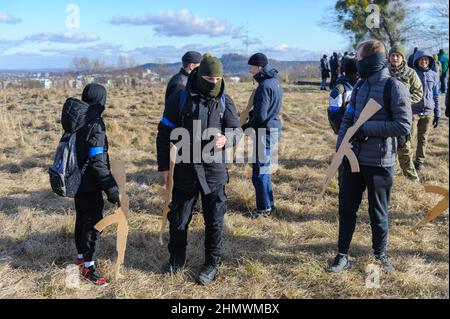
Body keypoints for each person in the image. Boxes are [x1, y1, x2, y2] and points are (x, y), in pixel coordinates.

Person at [157, 54, 241, 286]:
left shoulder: (225, 101)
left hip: (214, 171)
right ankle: (176, 260)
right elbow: (164, 133)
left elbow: (237, 131)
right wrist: (163, 166)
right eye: (208, 78)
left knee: (214, 221)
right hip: (184, 169)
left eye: (218, 78)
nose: (213, 82)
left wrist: (227, 139)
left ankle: (211, 264)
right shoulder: (179, 98)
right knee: (179, 219)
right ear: (198, 74)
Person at [329, 39, 412, 274]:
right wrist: (342, 147)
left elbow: (403, 125)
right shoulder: (361, 86)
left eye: (359, 59)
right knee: (346, 209)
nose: (356, 62)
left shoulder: (394, 87)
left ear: (371, 61)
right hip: (353, 159)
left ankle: (380, 256)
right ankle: (342, 255)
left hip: (379, 162)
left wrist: (367, 129)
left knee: (378, 212)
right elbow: (348, 117)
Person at [66, 83, 120, 286]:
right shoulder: (95, 123)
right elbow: (97, 162)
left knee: (81, 220)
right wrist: (112, 189)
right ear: (101, 100)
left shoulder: (75, 118)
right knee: (93, 224)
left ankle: (81, 258)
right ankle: (88, 268)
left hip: (76, 181)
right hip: (90, 184)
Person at [242, 53, 283, 218]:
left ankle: (263, 210)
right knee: (264, 171)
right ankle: (269, 205)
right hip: (272, 130)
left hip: (264, 132)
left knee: (259, 173)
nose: (250, 71)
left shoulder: (265, 86)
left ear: (258, 67)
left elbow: (260, 116)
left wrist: (245, 126)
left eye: (251, 67)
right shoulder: (274, 82)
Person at [387, 45, 423, 181]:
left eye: (398, 55)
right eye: (393, 55)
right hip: (386, 116)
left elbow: (419, 92)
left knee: (404, 147)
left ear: (402, 58)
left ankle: (412, 178)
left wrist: (405, 102)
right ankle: (390, 175)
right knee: (387, 147)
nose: (395, 58)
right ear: (389, 57)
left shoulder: (410, 73)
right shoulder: (384, 72)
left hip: (403, 116)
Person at [412, 50, 441, 171]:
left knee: (423, 138)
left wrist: (437, 113)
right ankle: (407, 162)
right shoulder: (412, 74)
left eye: (426, 59)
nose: (424, 61)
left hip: (428, 112)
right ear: (417, 61)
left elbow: (436, 95)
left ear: (429, 61)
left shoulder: (434, 75)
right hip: (414, 112)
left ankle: (419, 161)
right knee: (410, 137)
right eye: (421, 59)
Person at [327, 57, 359, 135]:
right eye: (357, 73)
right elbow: (333, 115)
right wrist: (349, 127)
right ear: (351, 73)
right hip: (345, 131)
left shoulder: (360, 87)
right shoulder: (338, 90)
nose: (359, 76)